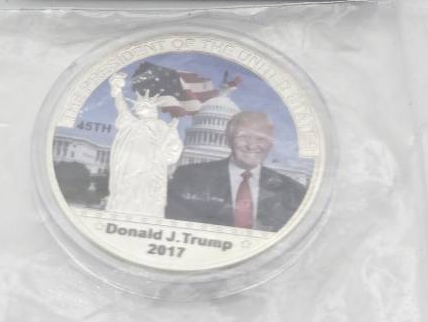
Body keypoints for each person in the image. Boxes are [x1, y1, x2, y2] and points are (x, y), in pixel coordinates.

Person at [165, 111, 306, 232]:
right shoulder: (189, 178)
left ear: (270, 144)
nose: (251, 146)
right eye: (243, 137)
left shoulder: (293, 192)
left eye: (261, 139)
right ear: (229, 140)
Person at [105, 73, 183, 217]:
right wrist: (118, 91)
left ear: (153, 108)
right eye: (138, 105)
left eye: (144, 105)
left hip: (151, 166)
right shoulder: (132, 122)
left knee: (147, 192)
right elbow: (122, 108)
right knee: (127, 189)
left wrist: (171, 138)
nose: (139, 108)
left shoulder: (161, 125)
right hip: (129, 164)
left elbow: (172, 150)